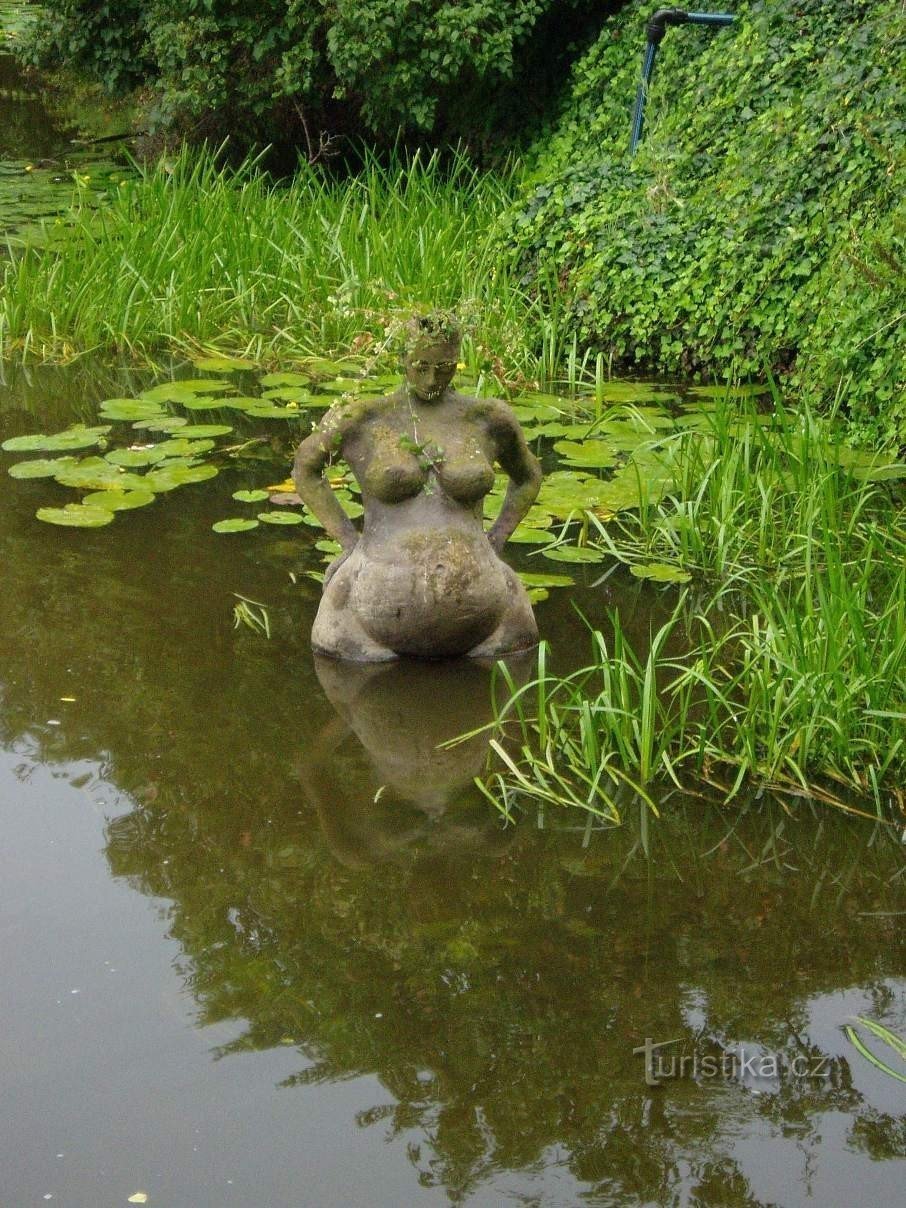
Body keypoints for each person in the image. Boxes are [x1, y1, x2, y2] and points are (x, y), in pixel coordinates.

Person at [293, 312, 542, 661]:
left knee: (511, 689)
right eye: (420, 365)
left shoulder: (487, 417)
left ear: (458, 359)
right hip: (369, 617)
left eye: (444, 367)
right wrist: (349, 541)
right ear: (401, 359)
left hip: (489, 618)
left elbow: (528, 476)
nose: (431, 378)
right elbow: (306, 468)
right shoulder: (365, 417)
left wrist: (497, 539)